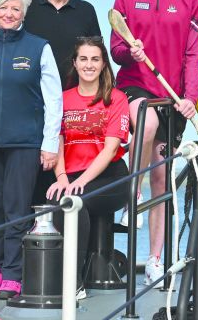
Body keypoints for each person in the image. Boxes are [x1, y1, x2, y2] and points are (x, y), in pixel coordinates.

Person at [110, 0, 198, 287]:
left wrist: (190, 97)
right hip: (135, 86)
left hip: (173, 96)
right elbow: (116, 48)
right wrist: (127, 51)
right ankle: (131, 192)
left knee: (162, 180)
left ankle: (153, 259)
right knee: (144, 126)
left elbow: (194, 54)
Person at [0, 0, 62, 299]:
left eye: (16, 8)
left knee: (16, 207)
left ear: (23, 13)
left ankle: (12, 272)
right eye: (4, 7)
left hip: (25, 142)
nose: (9, 13)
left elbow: (55, 101)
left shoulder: (39, 47)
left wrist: (50, 142)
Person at [47, 36, 130, 299]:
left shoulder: (116, 99)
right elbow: (56, 141)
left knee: (74, 201)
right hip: (70, 176)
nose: (89, 64)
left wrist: (78, 181)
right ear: (75, 63)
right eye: (83, 59)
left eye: (95, 59)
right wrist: (61, 177)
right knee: (60, 201)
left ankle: (73, 284)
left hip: (110, 179)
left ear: (104, 64)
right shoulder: (62, 99)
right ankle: (60, 278)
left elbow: (109, 149)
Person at [24, 0, 102, 207]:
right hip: (34, 109)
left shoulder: (86, 11)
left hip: (75, 110)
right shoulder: (26, 7)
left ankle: (82, 247)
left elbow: (97, 57)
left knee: (76, 189)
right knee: (34, 184)